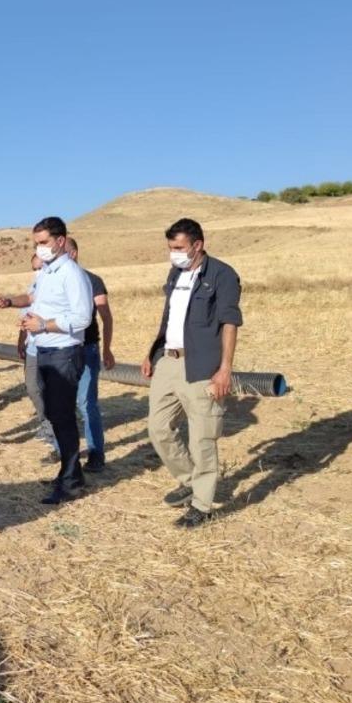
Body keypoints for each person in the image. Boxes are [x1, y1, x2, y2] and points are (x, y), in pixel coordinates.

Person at [141, 218, 242, 528]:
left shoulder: (222, 275)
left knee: (202, 438)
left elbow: (229, 322)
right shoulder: (176, 274)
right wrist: (151, 351)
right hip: (168, 362)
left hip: (201, 365)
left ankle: (202, 504)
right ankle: (189, 480)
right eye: (171, 248)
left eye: (179, 248)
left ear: (197, 245)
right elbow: (168, 317)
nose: (174, 254)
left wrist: (224, 370)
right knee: (158, 428)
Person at [0, 217, 94, 504]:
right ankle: (69, 473)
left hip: (63, 352)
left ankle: (71, 482)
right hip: (47, 351)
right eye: (36, 244)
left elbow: (81, 317)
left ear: (60, 241)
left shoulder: (72, 274)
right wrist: (11, 303)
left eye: (43, 243)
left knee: (63, 417)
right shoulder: (47, 272)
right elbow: (33, 298)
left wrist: (44, 326)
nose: (39, 249)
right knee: (55, 414)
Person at [69, 239, 116, 472]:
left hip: (87, 349)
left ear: (74, 253)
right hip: (62, 351)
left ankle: (96, 454)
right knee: (65, 405)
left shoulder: (92, 281)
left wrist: (106, 348)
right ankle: (67, 456)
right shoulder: (51, 281)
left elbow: (106, 316)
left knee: (87, 403)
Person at [16, 256, 58, 455]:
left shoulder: (57, 287)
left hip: (53, 347)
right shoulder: (32, 289)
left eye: (40, 268)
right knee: (33, 387)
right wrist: (21, 340)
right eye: (34, 269)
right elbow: (25, 318)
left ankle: (53, 429)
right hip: (33, 347)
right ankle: (46, 421)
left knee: (52, 390)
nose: (37, 272)